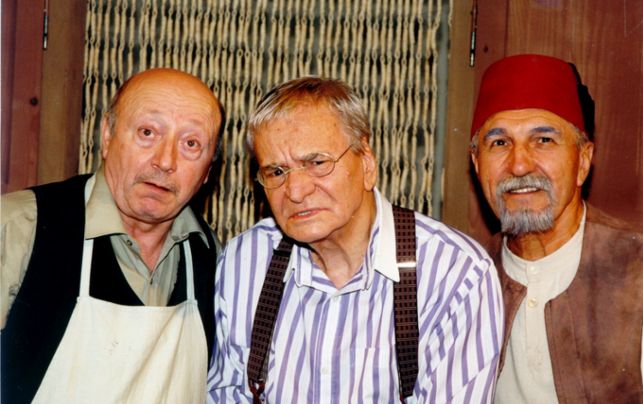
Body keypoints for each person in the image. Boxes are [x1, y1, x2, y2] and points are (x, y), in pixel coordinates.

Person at [206, 77, 503, 403]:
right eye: (277, 172)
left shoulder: (456, 274)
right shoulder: (244, 261)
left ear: (367, 163)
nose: (295, 191)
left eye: (317, 163)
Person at [1, 68, 223, 403]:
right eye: (147, 132)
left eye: (191, 143)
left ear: (207, 171)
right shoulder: (19, 227)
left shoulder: (210, 255)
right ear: (107, 135)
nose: (165, 161)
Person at [469, 54, 643, 403]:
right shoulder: (464, 278)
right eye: (500, 143)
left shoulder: (637, 271)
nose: (519, 165)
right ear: (476, 163)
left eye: (544, 140)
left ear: (583, 161)